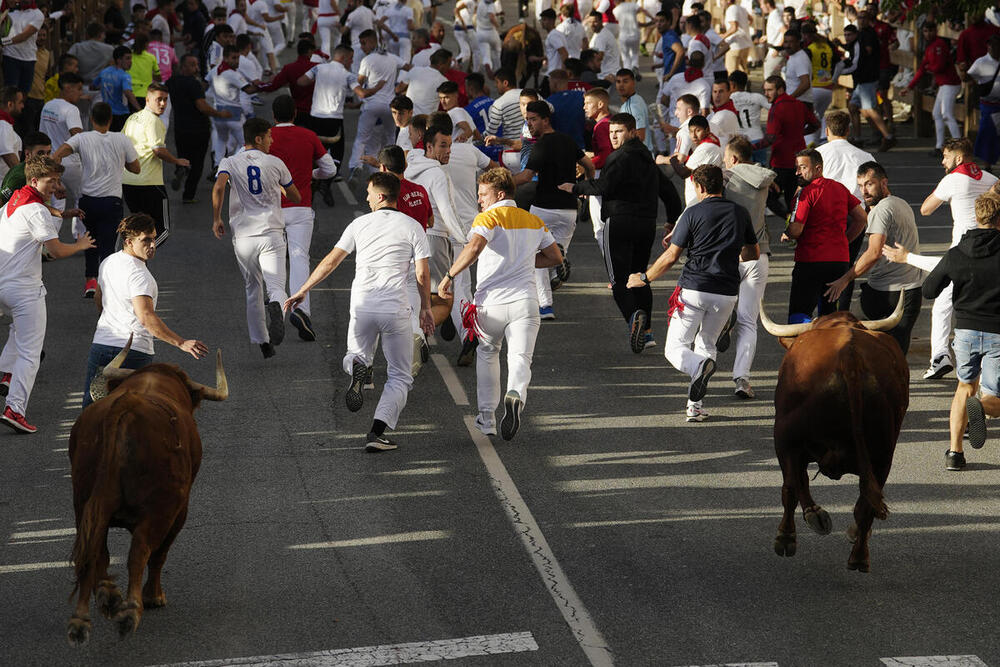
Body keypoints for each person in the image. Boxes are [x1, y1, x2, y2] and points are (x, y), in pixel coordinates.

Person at [285, 172, 434, 453]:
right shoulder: (413, 226)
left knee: (357, 354)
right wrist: (426, 307)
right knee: (401, 375)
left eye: (368, 192)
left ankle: (356, 366)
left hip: (363, 304)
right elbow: (422, 272)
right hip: (396, 307)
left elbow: (331, 261)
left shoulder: (359, 224)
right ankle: (377, 432)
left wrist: (304, 288)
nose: (365, 197)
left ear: (380, 196)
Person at [627, 164, 758, 422]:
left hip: (694, 289)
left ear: (699, 187)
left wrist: (644, 277)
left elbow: (671, 256)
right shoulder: (740, 212)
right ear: (722, 185)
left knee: (675, 349)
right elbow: (751, 253)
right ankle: (695, 407)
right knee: (707, 343)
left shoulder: (693, 212)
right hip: (727, 293)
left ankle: (698, 368)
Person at [439, 167, 563, 440]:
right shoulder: (533, 220)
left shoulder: (488, 217)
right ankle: (516, 393)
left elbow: (473, 248)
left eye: (483, 194)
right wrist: (526, 263)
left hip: (490, 305)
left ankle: (487, 419)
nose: (479, 199)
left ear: (500, 194)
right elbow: (555, 257)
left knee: (487, 354)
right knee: (520, 358)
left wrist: (449, 275)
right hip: (526, 302)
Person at [563, 112, 680, 352]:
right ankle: (647, 334)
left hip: (619, 222)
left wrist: (574, 187)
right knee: (639, 276)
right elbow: (668, 191)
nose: (614, 137)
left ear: (632, 132)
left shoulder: (618, 157)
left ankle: (632, 317)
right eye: (611, 132)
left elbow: (604, 186)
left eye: (619, 132)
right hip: (647, 224)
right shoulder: (647, 158)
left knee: (618, 280)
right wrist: (672, 219)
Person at [0, 156, 95, 433]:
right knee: (31, 353)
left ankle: (5, 371)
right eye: (50, 180)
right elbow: (54, 251)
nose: (56, 185)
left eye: (57, 179)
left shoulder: (15, 200)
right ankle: (15, 409)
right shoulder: (38, 212)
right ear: (33, 181)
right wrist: (80, 245)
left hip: (3, 286)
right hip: (25, 291)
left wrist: (63, 214)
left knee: (19, 332)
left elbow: (38, 211)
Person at [82, 214, 208, 409]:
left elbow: (99, 298)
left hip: (101, 346)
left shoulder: (108, 262)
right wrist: (181, 343)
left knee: (93, 412)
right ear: (128, 242)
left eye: (153, 238)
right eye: (145, 240)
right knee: (132, 416)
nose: (152, 244)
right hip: (133, 352)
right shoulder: (140, 275)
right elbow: (146, 317)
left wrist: (109, 321)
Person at [922, 193, 1000, 470]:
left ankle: (955, 453)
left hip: (965, 332)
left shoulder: (957, 252)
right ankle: (983, 407)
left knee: (964, 387)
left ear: (977, 218)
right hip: (997, 333)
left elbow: (929, 289)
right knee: (993, 397)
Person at [212, 118, 301, 358]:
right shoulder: (275, 163)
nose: (272, 141)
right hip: (271, 233)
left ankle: (262, 340)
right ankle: (276, 311)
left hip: (243, 237)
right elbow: (295, 195)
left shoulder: (230, 162)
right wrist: (281, 188)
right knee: (276, 287)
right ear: (259, 139)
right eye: (269, 137)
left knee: (252, 287)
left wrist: (216, 218)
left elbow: (219, 187)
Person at [919, 137, 999, 379]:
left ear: (959, 157)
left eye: (946, 156)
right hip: (993, 244)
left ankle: (940, 356)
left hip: (963, 248)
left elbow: (925, 209)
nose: (943, 161)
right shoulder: (992, 179)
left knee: (943, 304)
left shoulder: (952, 179)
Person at [823, 161, 923, 354]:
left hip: (887, 294)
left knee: (852, 346)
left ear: (883, 183)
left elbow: (874, 252)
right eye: (860, 186)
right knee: (896, 357)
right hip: (911, 291)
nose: (864, 191)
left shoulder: (881, 209)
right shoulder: (901, 203)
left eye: (869, 184)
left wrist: (844, 280)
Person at [513, 100, 594, 320]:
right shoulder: (568, 141)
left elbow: (526, 176)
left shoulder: (542, 144)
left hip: (543, 208)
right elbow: (590, 165)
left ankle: (546, 306)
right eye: (527, 120)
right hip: (569, 210)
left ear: (545, 120)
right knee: (555, 257)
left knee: (538, 257)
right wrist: (585, 187)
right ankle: (558, 268)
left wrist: (501, 184)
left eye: (533, 119)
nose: (530, 124)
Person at [54, 102, 141, 298]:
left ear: (91, 120)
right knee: (109, 245)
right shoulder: (122, 139)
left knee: (90, 240)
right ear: (110, 119)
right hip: (112, 202)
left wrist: (57, 182)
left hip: (88, 201)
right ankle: (106, 286)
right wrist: (120, 161)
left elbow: (57, 155)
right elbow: (136, 169)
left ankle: (90, 281)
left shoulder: (81, 138)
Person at [269, 95, 338, 342]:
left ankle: (276, 302)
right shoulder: (308, 136)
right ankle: (301, 310)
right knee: (300, 259)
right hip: (301, 206)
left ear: (274, 115)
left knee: (273, 259)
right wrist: (310, 175)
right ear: (295, 114)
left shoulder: (265, 136)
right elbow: (330, 169)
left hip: (271, 209)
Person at [719, 135, 775, 399]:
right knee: (749, 321)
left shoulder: (725, 178)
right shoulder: (765, 179)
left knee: (712, 309)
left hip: (727, 255)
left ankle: (720, 329)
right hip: (758, 252)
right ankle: (742, 378)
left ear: (732, 158)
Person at [784, 148, 868, 323]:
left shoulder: (806, 193)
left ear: (818, 168)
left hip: (810, 261)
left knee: (799, 314)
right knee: (830, 316)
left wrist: (787, 233)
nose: (797, 172)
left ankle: (802, 348)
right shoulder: (840, 188)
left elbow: (796, 229)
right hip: (838, 263)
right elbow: (861, 218)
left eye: (802, 167)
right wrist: (844, 241)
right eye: (796, 167)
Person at [404, 124, 465, 337]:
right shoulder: (437, 174)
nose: (448, 150)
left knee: (420, 295)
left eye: (449, 145)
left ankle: (413, 338)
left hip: (411, 239)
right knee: (444, 300)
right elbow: (447, 211)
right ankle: (416, 337)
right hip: (436, 238)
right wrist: (465, 241)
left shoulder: (410, 169)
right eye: (443, 145)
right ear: (429, 146)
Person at [816, 110, 875, 311]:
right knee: (847, 265)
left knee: (821, 262)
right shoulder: (865, 156)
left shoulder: (819, 154)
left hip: (825, 215)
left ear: (827, 130)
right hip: (856, 215)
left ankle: (825, 309)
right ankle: (842, 312)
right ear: (848, 130)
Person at [122, 83, 188, 244]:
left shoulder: (132, 118)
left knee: (138, 230)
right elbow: (158, 150)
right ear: (147, 99)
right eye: (159, 99)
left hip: (128, 182)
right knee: (162, 230)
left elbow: (121, 144)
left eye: (165, 100)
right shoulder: (154, 121)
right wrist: (177, 161)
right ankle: (137, 255)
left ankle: (133, 260)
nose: (163, 104)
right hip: (150, 183)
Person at [168, 55, 232, 204]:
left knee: (183, 156)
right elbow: (201, 106)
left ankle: (181, 169)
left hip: (180, 128)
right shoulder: (194, 84)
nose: (197, 68)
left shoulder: (172, 82)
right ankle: (188, 196)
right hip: (199, 129)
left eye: (197, 64)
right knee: (197, 163)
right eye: (193, 65)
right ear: (183, 66)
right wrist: (219, 114)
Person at [754, 75, 819, 214]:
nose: (766, 94)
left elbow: (771, 138)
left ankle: (789, 220)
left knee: (769, 198)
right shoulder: (799, 104)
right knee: (793, 199)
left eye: (770, 90)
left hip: (781, 162)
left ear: (781, 89)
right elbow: (815, 124)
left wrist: (751, 147)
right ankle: (794, 226)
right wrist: (800, 132)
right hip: (799, 161)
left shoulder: (776, 108)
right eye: (765, 90)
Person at [349, 29, 404, 173]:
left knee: (362, 139)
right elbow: (408, 67)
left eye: (364, 43)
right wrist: (401, 84)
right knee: (391, 138)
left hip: (371, 106)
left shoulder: (367, 60)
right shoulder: (392, 58)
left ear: (373, 41)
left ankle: (355, 165)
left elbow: (359, 83)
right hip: (390, 106)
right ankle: (394, 167)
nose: (362, 47)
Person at [907, 20, 961, 157]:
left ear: (935, 31)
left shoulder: (939, 45)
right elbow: (922, 69)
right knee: (937, 113)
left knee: (947, 114)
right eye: (925, 31)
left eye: (930, 30)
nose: (928, 34)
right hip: (944, 84)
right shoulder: (930, 47)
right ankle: (940, 146)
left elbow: (939, 66)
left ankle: (960, 146)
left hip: (951, 83)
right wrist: (910, 86)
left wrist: (929, 68)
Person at [847, 19, 895, 151]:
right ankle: (858, 138)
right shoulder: (857, 42)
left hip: (867, 79)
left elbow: (858, 62)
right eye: (845, 35)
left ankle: (888, 137)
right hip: (862, 81)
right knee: (852, 106)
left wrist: (841, 71)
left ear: (855, 34)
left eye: (849, 35)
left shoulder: (864, 41)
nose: (847, 37)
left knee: (871, 110)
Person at [664, 114, 723, 208]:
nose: (694, 136)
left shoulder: (706, 148)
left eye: (698, 131)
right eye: (691, 131)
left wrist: (673, 160)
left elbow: (683, 173)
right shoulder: (711, 141)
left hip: (699, 199)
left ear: (707, 130)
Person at [583, 86, 613, 256]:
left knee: (600, 228)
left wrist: (586, 162)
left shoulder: (601, 126)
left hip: (602, 176)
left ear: (600, 104)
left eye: (588, 103)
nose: (584, 107)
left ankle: (614, 273)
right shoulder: (608, 122)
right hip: (610, 175)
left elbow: (605, 156)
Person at [968, 35, 1000, 170]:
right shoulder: (981, 62)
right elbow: (969, 77)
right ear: (989, 47)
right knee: (987, 135)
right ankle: (987, 165)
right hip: (988, 104)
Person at [1, 0, 45, 95]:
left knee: (24, 94)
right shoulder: (8, 10)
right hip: (10, 57)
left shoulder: (38, 14)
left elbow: (24, 36)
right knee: (10, 93)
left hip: (29, 59)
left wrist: (3, 42)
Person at [93, 46, 141, 132]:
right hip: (121, 114)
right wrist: (140, 110)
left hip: (106, 113)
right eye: (127, 58)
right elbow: (128, 93)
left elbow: (93, 86)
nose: (130, 62)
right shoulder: (124, 76)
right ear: (119, 60)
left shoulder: (104, 72)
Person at [0, 132, 51, 204]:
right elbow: (2, 200)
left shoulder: (43, 170)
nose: (46, 157)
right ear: (27, 154)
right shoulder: (20, 176)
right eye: (40, 153)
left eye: (48, 153)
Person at [615, 68, 653, 152]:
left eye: (625, 81)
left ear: (633, 83)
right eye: (618, 82)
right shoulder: (637, 99)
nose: (621, 85)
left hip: (638, 157)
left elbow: (640, 136)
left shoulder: (632, 106)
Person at [0, 87, 25, 182]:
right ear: (10, 104)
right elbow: (9, 156)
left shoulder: (6, 125)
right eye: (20, 102)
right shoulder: (3, 125)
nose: (22, 106)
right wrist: (25, 179)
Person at [589, 11, 621, 83]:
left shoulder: (602, 36)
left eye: (595, 22)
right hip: (609, 74)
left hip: (607, 76)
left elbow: (599, 56)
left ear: (601, 21)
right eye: (590, 22)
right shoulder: (599, 33)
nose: (592, 24)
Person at [721, 0, 752, 73]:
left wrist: (723, 36)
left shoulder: (731, 9)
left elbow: (734, 27)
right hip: (745, 44)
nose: (721, 2)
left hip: (735, 45)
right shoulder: (742, 8)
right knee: (743, 72)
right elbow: (751, 19)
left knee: (731, 72)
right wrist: (744, 29)